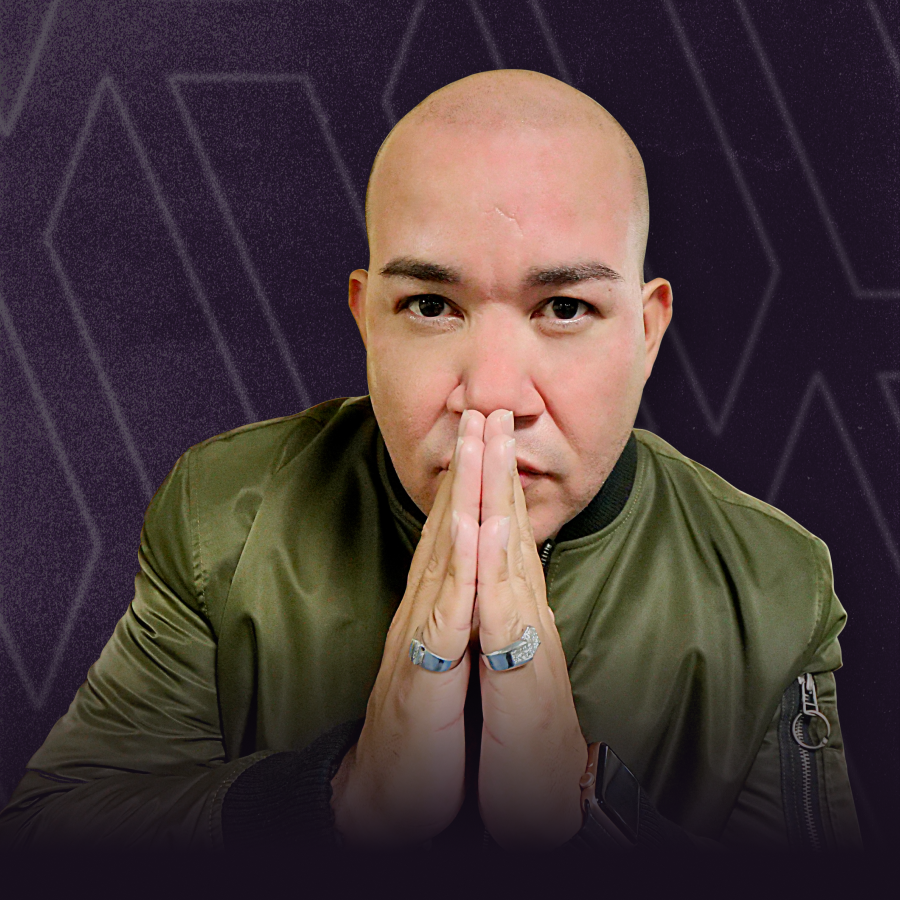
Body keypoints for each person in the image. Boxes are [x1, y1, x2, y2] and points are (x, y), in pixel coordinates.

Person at [0, 69, 861, 853]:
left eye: (564, 307)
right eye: (429, 305)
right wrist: (341, 797)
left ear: (646, 333)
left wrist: (585, 811)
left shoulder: (772, 585)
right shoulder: (224, 518)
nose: (492, 395)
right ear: (367, 320)